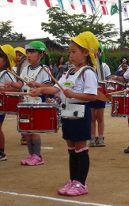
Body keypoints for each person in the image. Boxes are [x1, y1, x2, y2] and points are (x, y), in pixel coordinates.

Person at [30, 31, 98, 196]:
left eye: (74, 51)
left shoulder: (88, 72)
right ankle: (73, 180)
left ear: (86, 53)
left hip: (81, 115)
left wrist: (73, 94)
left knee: (81, 148)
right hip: (68, 115)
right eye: (70, 51)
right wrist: (41, 89)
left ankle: (81, 183)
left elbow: (92, 96)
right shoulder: (69, 72)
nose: (70, 55)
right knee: (71, 149)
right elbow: (56, 89)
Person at [10, 41, 52, 166]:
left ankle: (38, 156)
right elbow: (21, 84)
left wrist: (36, 84)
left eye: (32, 52)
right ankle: (31, 154)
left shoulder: (44, 69)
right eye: (27, 52)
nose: (28, 55)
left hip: (37, 103)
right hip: (26, 102)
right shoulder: (25, 69)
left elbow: (48, 86)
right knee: (27, 131)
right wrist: (12, 84)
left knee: (35, 130)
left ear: (40, 54)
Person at [89, 45, 111, 147]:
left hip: (101, 93)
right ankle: (92, 138)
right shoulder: (88, 66)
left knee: (100, 117)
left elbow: (108, 79)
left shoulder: (105, 66)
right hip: (91, 92)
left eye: (96, 51)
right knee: (92, 117)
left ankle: (101, 137)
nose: (94, 53)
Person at [0, 44, 19, 161]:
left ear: (6, 60)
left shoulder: (7, 73)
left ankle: (1, 152)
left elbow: (17, 89)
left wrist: (2, 89)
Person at [14, 46, 29, 145]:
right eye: (16, 55)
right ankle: (25, 135)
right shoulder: (19, 64)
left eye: (20, 55)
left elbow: (24, 81)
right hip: (23, 92)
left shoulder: (25, 63)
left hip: (27, 93)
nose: (17, 57)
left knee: (26, 113)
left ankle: (26, 135)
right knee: (23, 113)